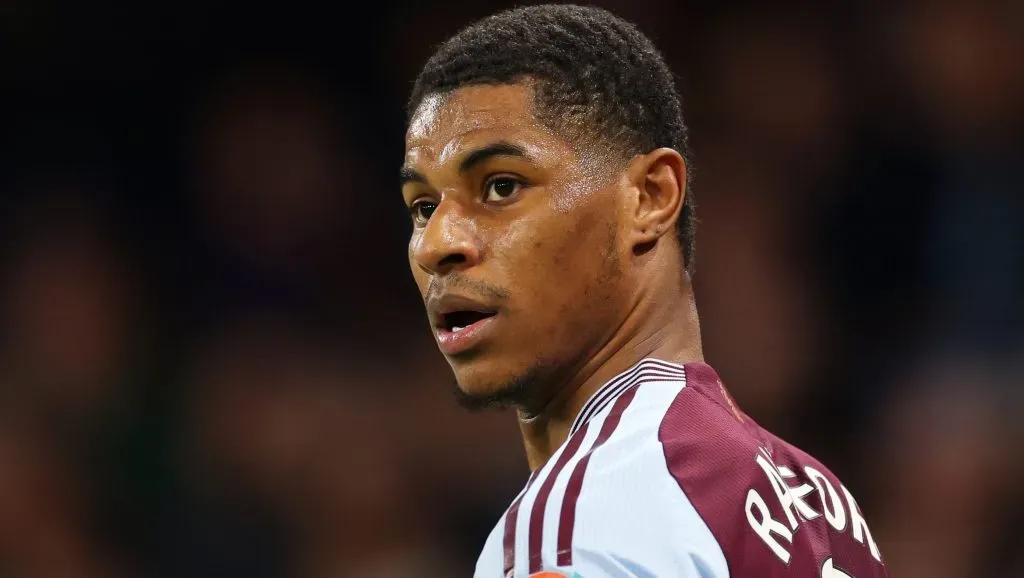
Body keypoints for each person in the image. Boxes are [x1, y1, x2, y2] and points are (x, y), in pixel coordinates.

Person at [398, 5, 889, 577]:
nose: (438, 244)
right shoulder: (818, 503)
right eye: (423, 207)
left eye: (502, 187)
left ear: (651, 197)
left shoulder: (580, 519)